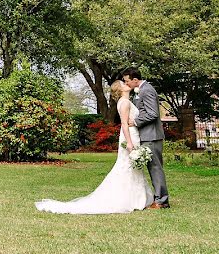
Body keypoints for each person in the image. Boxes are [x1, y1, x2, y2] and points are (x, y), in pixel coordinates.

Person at [35, 80, 153, 214]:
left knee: (131, 166)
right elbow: (124, 125)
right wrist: (130, 143)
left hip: (133, 135)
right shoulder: (124, 103)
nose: (127, 84)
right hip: (129, 136)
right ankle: (127, 199)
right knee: (127, 166)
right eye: (123, 84)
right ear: (120, 90)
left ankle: (137, 197)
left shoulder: (124, 101)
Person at [122, 67, 170, 209]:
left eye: (127, 81)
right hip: (146, 135)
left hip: (152, 136)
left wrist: (135, 122)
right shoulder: (140, 90)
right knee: (152, 168)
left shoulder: (147, 90)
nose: (127, 84)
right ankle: (159, 199)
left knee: (155, 168)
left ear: (135, 80)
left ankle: (162, 201)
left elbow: (153, 113)